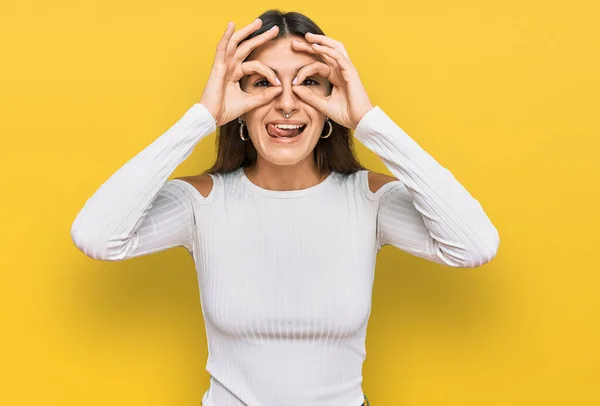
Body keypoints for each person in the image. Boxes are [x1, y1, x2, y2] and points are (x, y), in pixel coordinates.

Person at [70, 9, 499, 406]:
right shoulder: (202, 202)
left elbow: (473, 245)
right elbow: (97, 236)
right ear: (238, 101)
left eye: (309, 82)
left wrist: (369, 121)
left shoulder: (367, 199)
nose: (288, 103)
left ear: (333, 98)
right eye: (264, 82)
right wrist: (202, 116)